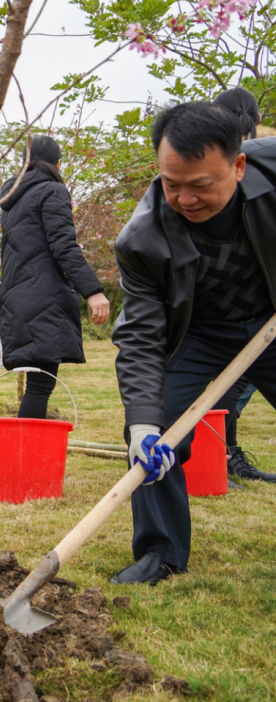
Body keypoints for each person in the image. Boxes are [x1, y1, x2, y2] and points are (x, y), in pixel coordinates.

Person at [110, 101, 276, 585]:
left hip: (269, 318)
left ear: (238, 165)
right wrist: (142, 425)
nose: (184, 198)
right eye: (171, 184)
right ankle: (160, 553)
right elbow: (141, 334)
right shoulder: (141, 239)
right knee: (156, 428)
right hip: (201, 333)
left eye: (201, 185)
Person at [0, 135, 109, 415]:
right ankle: (25, 455)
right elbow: (64, 246)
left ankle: (26, 452)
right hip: (42, 298)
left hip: (17, 298)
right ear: (58, 163)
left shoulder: (12, 200)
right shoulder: (52, 191)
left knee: (38, 383)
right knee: (40, 386)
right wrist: (93, 291)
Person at [209, 87, 276, 483]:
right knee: (233, 380)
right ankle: (219, 457)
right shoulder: (244, 157)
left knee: (234, 380)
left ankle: (225, 454)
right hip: (233, 298)